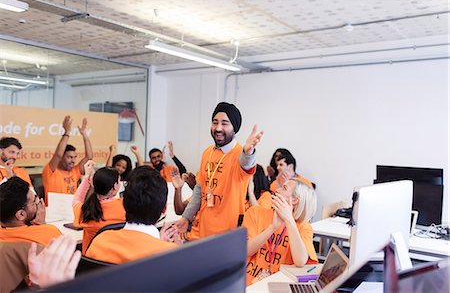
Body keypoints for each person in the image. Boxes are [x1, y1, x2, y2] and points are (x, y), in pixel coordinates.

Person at [175, 102, 264, 240]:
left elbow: (247, 164)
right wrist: (186, 217)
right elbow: (199, 190)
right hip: (200, 232)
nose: (218, 128)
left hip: (226, 236)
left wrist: (248, 152)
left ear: (235, 127)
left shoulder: (239, 154)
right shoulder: (207, 152)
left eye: (224, 123)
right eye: (215, 122)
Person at [85, 166, 181, 264]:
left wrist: (158, 241)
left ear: (123, 203)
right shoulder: (171, 254)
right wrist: (168, 246)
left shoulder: (99, 242)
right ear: (164, 208)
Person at [242, 178, 318, 285]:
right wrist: (272, 228)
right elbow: (245, 250)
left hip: (281, 285)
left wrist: (289, 220)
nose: (277, 190)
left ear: (295, 200)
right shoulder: (255, 213)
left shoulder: (303, 227)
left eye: (284, 188)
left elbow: (300, 261)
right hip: (250, 283)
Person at [72, 161, 126, 254]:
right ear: (115, 186)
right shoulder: (125, 206)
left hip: (92, 263)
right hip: (117, 260)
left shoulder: (86, 210)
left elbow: (76, 200)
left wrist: (87, 178)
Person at [42, 116, 93, 205]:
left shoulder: (75, 171)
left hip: (72, 210)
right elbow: (58, 155)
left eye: (74, 157)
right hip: (54, 213)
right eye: (69, 157)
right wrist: (67, 133)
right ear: (62, 157)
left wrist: (84, 134)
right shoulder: (50, 171)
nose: (73, 160)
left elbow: (89, 156)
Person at [0, 177, 61, 245]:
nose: (38, 201)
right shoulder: (49, 233)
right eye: (34, 200)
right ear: (21, 214)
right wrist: (42, 225)